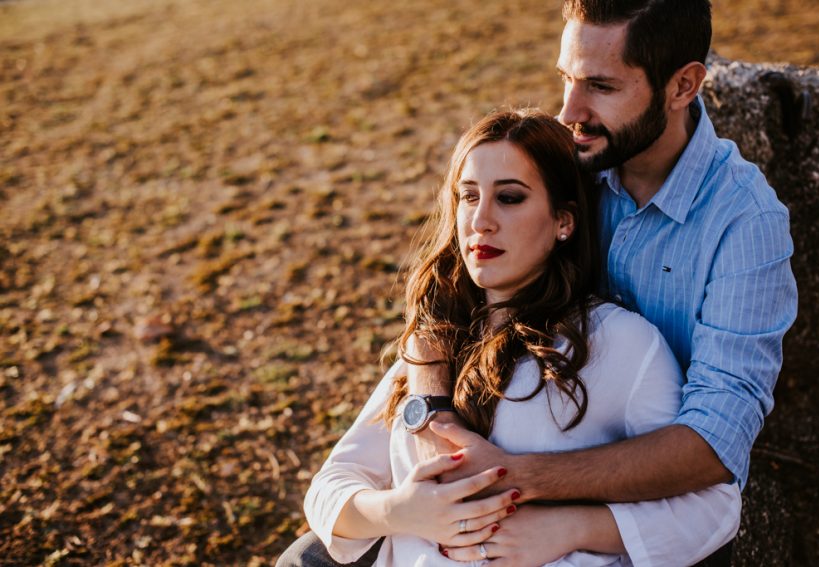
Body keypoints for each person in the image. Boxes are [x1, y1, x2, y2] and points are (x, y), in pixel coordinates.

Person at [280, 110, 740, 567]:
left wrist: (572, 528)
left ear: (564, 221)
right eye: (468, 196)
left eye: (510, 198)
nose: (481, 220)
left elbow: (714, 507)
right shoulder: (435, 347)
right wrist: (402, 510)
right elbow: (331, 485)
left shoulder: (620, 345)